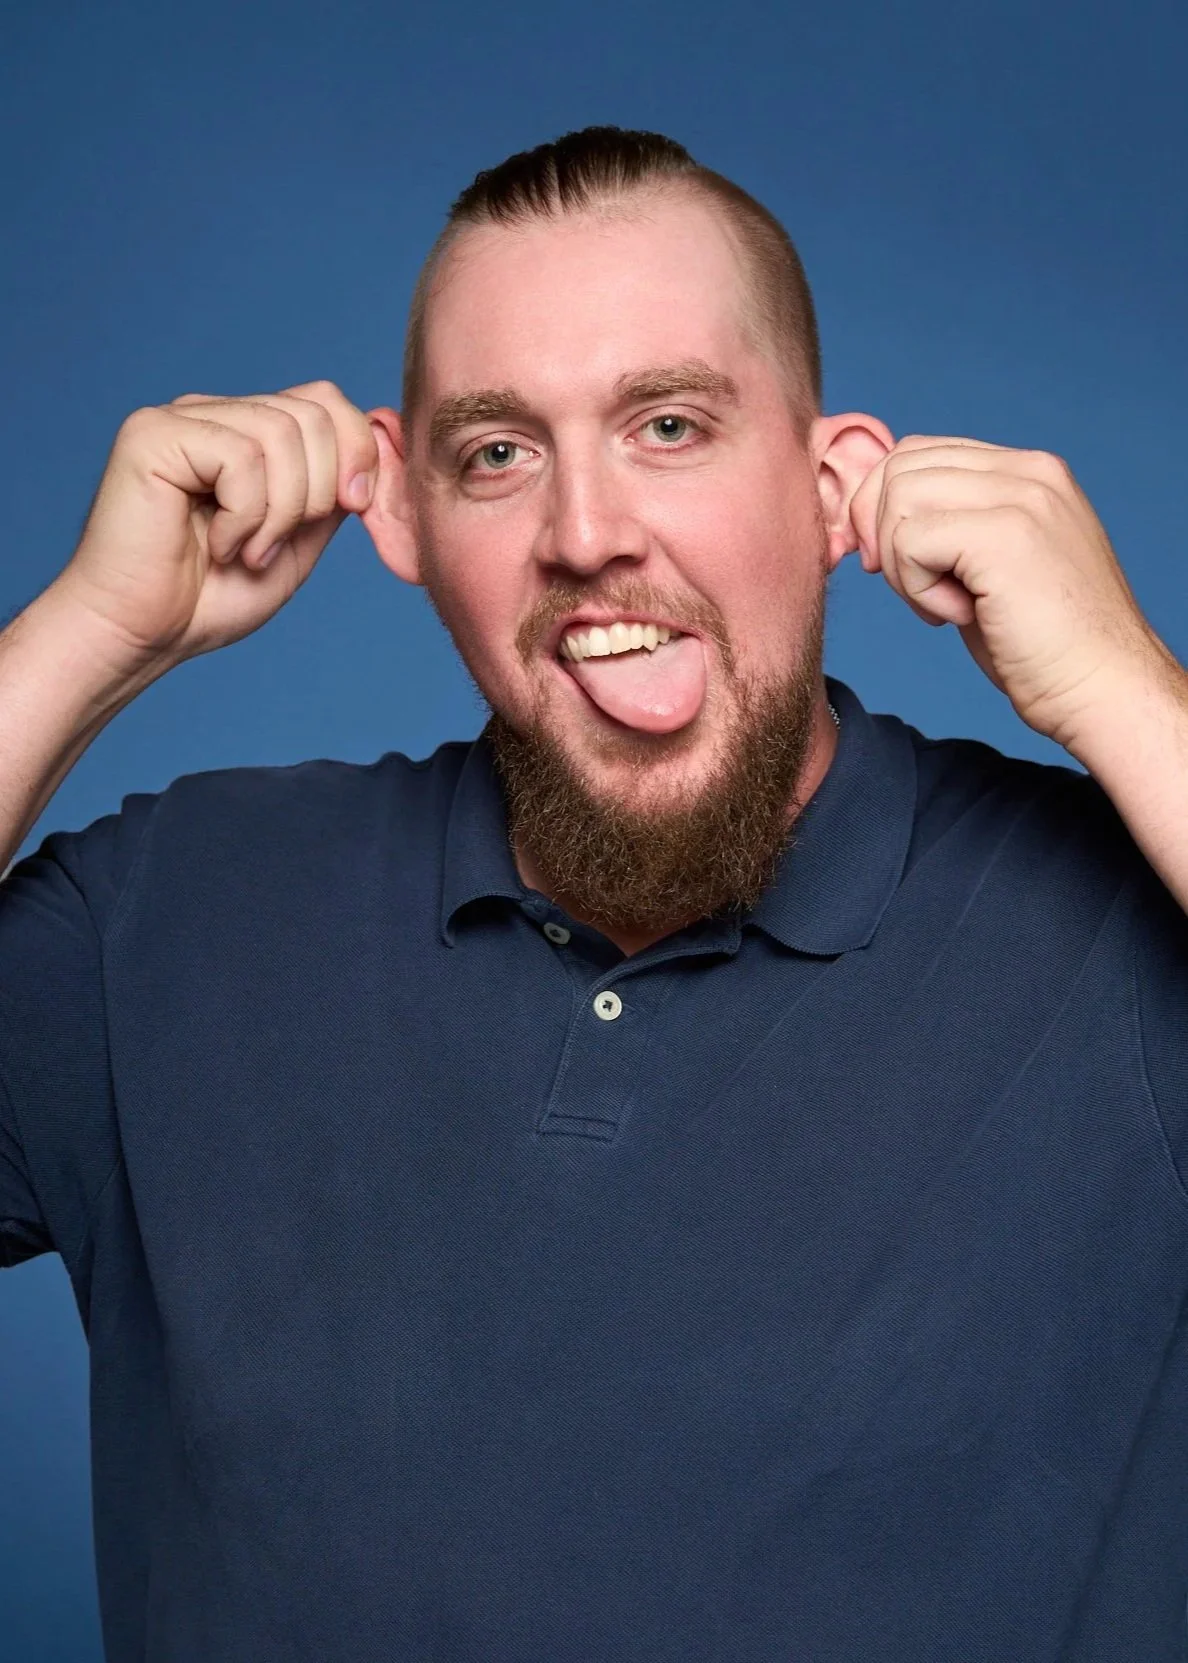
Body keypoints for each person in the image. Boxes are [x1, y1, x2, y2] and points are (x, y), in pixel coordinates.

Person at [2, 124, 1186, 1662]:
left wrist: (1122, 687)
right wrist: (91, 635)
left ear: (837, 491)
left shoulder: (1121, 930)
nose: (584, 533)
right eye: (498, 453)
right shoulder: (169, 917)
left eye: (671, 425)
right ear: (407, 523)